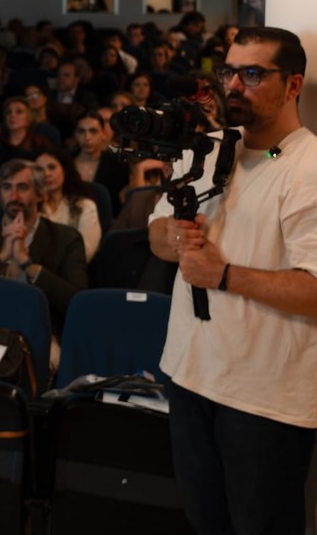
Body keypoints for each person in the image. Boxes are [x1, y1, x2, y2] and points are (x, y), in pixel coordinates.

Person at [148, 27, 317, 534]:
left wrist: (222, 274)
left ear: (293, 86)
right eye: (228, 72)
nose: (234, 86)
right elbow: (156, 232)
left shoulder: (307, 167)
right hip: (190, 374)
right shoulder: (208, 148)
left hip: (263, 398)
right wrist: (178, 240)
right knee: (205, 523)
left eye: (252, 74)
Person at [0, 160, 88, 342]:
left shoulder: (66, 239)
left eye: (22, 187)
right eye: (7, 187)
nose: (13, 196)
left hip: (38, 333)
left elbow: (77, 301)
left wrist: (26, 262)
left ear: (40, 195)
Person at [35, 144, 102, 262]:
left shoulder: (85, 206)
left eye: (52, 167)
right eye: (39, 169)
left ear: (64, 169)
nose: (46, 174)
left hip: (69, 273)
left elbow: (84, 254)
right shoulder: (30, 206)